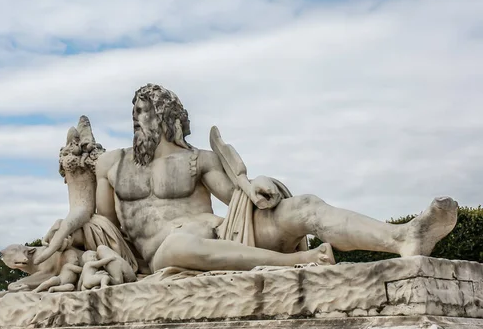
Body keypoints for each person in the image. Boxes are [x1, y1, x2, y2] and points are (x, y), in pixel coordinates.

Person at [44, 84, 459, 274]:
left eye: (148, 110)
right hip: (163, 254)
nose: (140, 117)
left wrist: (255, 186)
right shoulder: (113, 163)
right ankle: (297, 262)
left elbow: (237, 198)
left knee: (303, 206)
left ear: (171, 117)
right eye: (137, 111)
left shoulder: (200, 160)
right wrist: (68, 232)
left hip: (223, 234)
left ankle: (402, 238)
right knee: (178, 244)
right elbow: (100, 223)